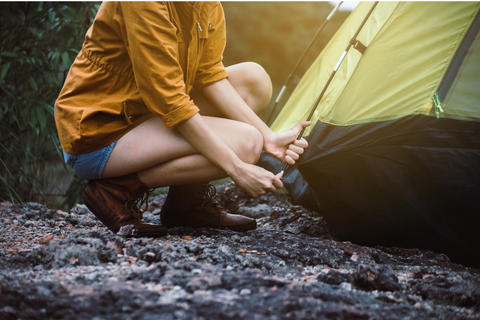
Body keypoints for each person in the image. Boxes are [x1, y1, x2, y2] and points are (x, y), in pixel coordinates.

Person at [55, 2, 310, 238]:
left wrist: (269, 137)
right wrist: (236, 168)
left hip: (147, 116)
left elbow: (207, 73)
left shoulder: (206, 4)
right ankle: (116, 189)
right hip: (99, 132)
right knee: (246, 144)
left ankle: (187, 204)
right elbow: (171, 102)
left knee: (253, 81)